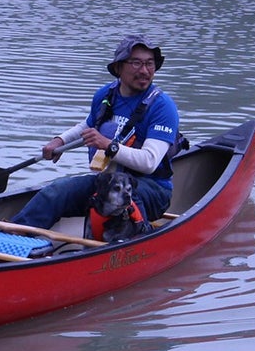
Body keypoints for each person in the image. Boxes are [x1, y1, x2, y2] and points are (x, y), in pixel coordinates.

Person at [9, 35, 182, 232]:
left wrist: (109, 145)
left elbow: (149, 162)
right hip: (108, 181)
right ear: (118, 67)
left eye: (149, 64)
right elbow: (89, 125)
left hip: (152, 189)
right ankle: (11, 237)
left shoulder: (163, 107)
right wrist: (60, 141)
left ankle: (135, 242)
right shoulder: (105, 95)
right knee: (55, 192)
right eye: (136, 63)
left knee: (118, 198)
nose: (144, 71)